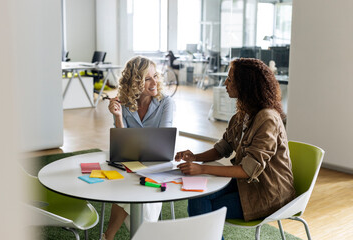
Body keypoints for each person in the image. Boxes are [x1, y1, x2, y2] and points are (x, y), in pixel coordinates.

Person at [175, 58, 296, 225]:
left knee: (203, 210)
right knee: (198, 196)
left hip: (268, 193)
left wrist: (201, 168)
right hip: (246, 184)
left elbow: (248, 170)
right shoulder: (243, 114)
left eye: (230, 79)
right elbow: (223, 148)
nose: (225, 83)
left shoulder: (267, 119)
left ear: (245, 85)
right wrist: (194, 157)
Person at [104, 56, 174, 240]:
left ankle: (108, 236)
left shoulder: (166, 103)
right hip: (130, 162)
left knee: (130, 189)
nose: (154, 82)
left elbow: (163, 139)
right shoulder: (124, 103)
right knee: (129, 183)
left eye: (155, 76)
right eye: (147, 78)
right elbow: (122, 142)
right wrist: (118, 117)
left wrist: (134, 145)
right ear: (135, 82)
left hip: (156, 164)